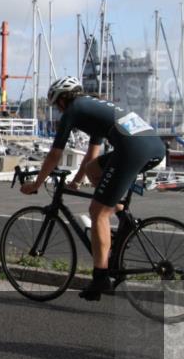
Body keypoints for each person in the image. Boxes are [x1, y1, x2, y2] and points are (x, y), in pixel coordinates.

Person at [21, 76, 165, 300]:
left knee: (97, 212)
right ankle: (123, 219)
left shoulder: (73, 111)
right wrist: (78, 179)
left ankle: (100, 278)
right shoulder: (92, 107)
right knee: (93, 169)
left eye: (56, 106)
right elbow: (91, 157)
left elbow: (55, 154)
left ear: (61, 101)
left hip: (132, 150)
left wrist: (36, 184)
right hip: (154, 146)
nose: (58, 111)